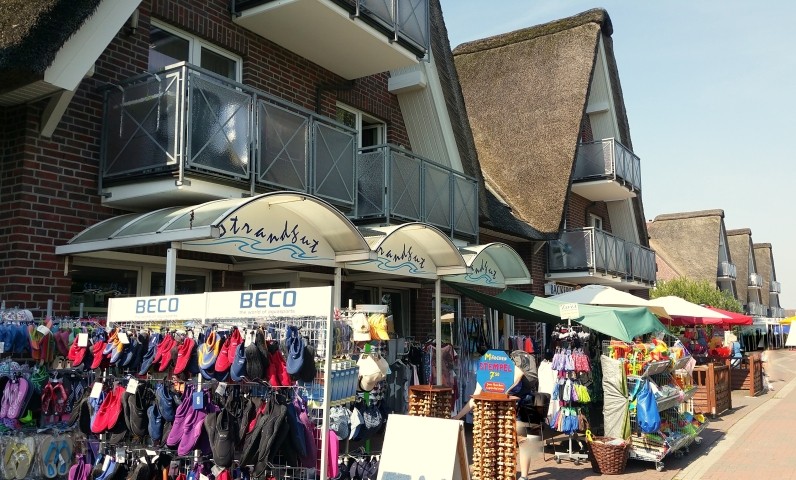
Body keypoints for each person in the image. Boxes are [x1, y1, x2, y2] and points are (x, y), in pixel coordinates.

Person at [452, 360, 535, 480]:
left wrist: (504, 391)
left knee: (523, 441)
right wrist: (458, 416)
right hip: (498, 412)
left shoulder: (508, 367)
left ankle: (524, 476)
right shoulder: (483, 375)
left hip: (519, 406)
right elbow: (475, 398)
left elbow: (519, 374)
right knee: (496, 442)